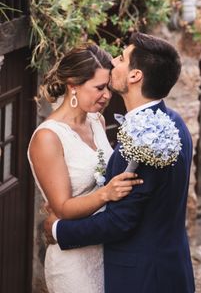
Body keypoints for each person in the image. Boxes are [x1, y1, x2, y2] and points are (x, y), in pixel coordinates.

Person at [44, 32, 195, 293]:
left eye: (122, 58)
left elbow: (120, 221)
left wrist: (59, 230)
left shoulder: (142, 143)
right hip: (171, 265)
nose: (113, 61)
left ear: (136, 76)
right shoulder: (174, 122)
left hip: (143, 277)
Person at [28, 44, 143, 293]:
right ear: (73, 85)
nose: (107, 96)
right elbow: (62, 208)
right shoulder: (48, 137)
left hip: (106, 249)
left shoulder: (97, 121)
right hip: (73, 260)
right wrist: (106, 193)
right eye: (99, 88)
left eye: (108, 87)